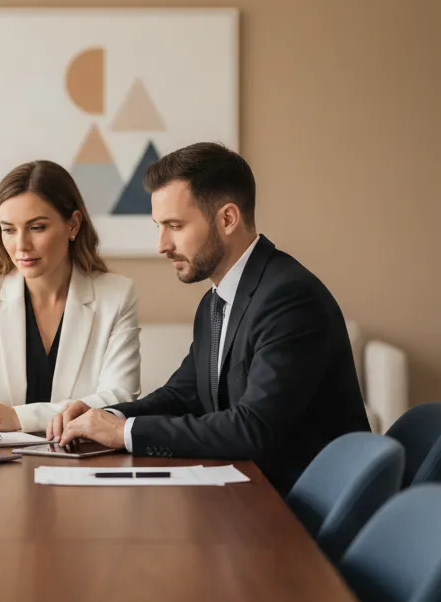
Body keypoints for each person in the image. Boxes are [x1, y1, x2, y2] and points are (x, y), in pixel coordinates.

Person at [49, 142, 369, 493]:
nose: (162, 245)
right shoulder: (216, 301)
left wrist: (122, 434)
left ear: (227, 219)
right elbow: (186, 394)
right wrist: (110, 416)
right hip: (251, 491)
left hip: (302, 507)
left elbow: (254, 428)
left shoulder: (288, 298)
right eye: (159, 226)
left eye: (175, 225)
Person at [0, 160, 140, 442]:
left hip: (79, 463)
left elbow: (118, 398)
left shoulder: (117, 295)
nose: (21, 245)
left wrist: (18, 417)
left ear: (73, 224)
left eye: (36, 227)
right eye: (9, 229)